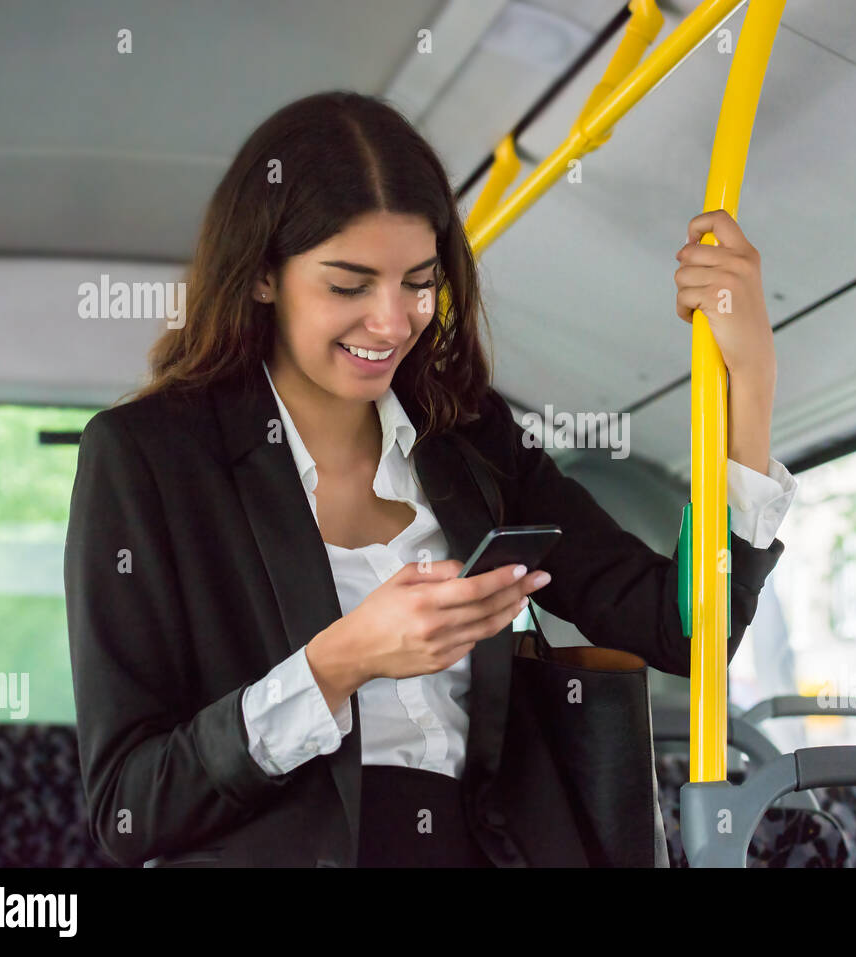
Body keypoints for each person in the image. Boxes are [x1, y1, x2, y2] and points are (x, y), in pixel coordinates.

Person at [64, 90, 797, 868]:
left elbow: (686, 630)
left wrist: (749, 382)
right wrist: (341, 661)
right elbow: (129, 807)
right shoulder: (150, 459)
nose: (392, 322)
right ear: (261, 276)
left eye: (418, 282)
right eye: (348, 285)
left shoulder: (468, 437)